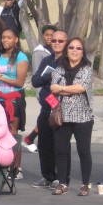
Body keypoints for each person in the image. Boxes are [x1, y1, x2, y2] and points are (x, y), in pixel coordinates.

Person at [50, 37, 94, 196]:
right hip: (62, 116)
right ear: (66, 51)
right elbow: (52, 89)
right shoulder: (59, 69)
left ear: (83, 53)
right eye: (71, 48)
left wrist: (62, 88)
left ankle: (85, 184)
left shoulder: (87, 69)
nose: (75, 51)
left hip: (83, 116)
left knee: (83, 151)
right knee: (60, 150)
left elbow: (81, 88)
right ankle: (62, 183)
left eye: (79, 48)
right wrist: (65, 89)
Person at [31, 30, 69, 189]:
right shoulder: (47, 59)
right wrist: (48, 76)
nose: (57, 43)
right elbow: (35, 81)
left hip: (65, 106)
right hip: (48, 105)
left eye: (61, 41)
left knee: (60, 144)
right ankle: (47, 175)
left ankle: (61, 178)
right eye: (54, 41)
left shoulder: (70, 60)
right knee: (44, 143)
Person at [0, 28, 29, 135]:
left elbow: (20, 82)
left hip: (13, 99)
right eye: (3, 38)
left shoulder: (21, 57)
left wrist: (2, 78)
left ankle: (13, 152)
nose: (5, 40)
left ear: (16, 40)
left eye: (9, 38)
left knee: (11, 131)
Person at [25, 24, 58, 149]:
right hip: (44, 92)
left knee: (51, 114)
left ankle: (31, 137)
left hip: (55, 91)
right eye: (47, 35)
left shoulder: (55, 51)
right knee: (50, 115)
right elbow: (36, 75)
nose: (49, 38)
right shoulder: (39, 52)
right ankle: (34, 138)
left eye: (52, 35)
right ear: (43, 36)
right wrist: (39, 94)